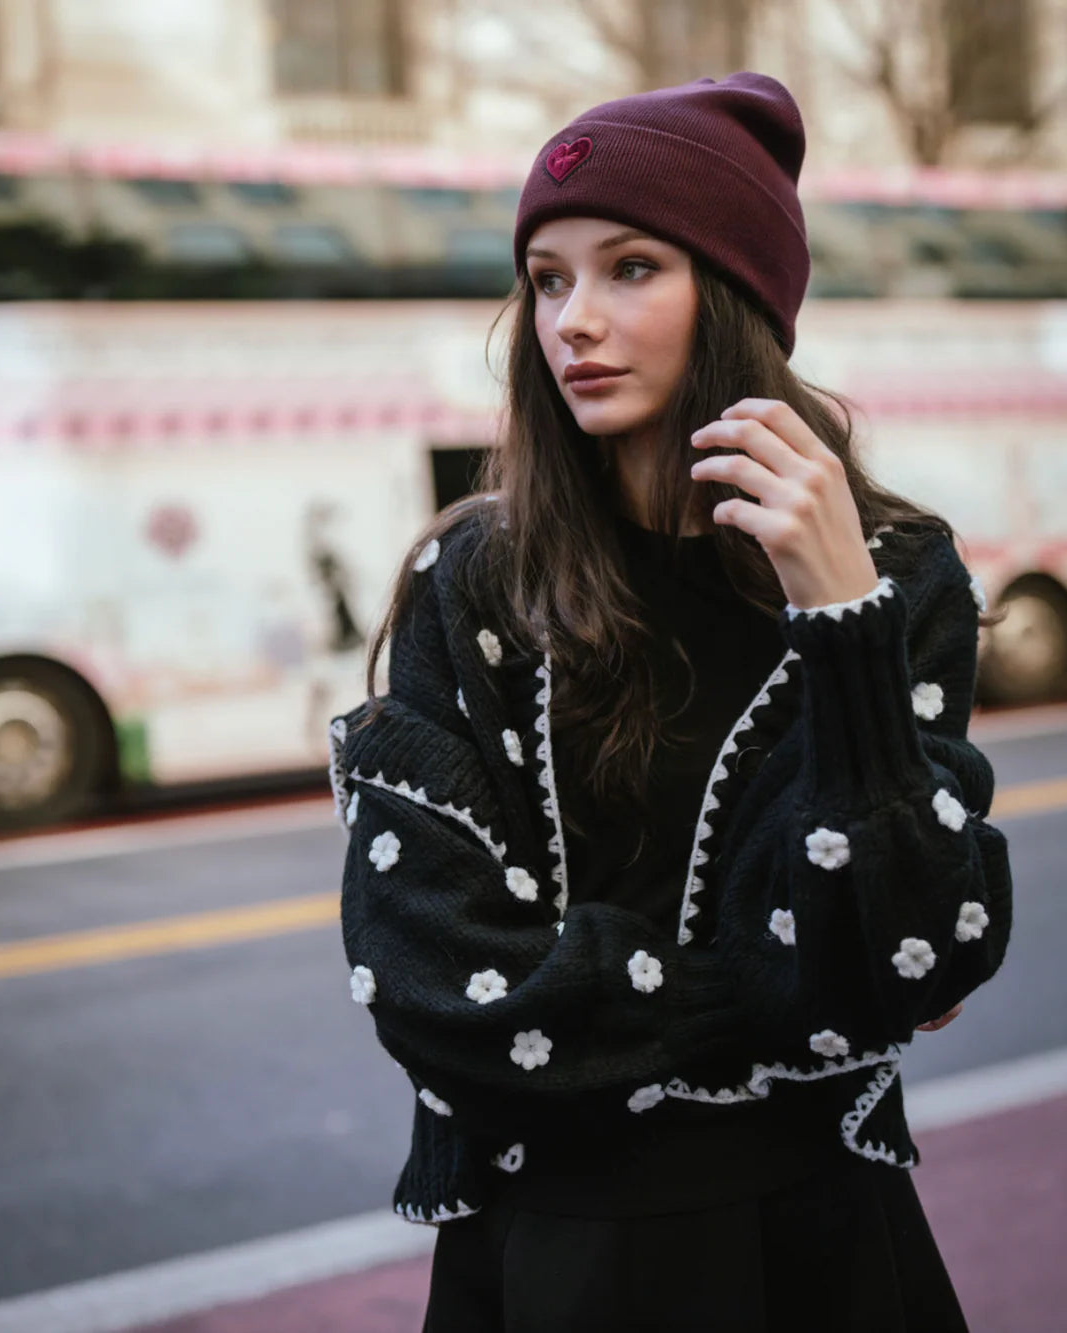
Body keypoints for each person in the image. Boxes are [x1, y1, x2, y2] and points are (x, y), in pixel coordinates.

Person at [328, 71, 1013, 1332]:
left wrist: (841, 617)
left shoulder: (898, 575)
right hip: (550, 1244)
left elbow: (904, 948)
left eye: (631, 268)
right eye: (547, 279)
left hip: (822, 1242)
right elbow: (427, 976)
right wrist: (765, 993)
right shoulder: (475, 578)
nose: (574, 321)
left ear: (737, 295)